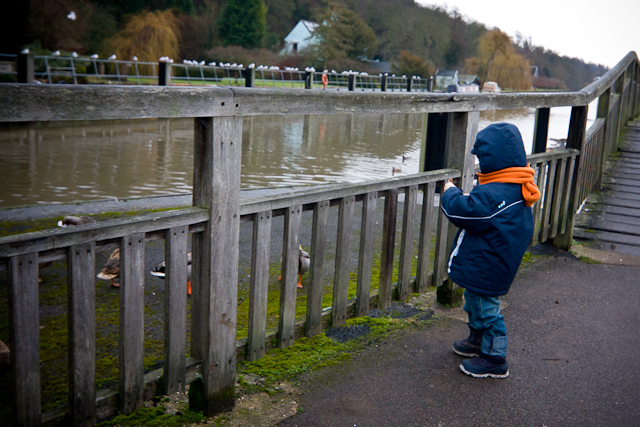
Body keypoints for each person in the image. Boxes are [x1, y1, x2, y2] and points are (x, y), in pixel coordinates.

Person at [440, 122, 540, 379]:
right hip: (490, 260)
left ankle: (495, 358)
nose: (480, 163)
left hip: (488, 265)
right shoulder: (514, 186)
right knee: (474, 302)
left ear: (494, 158)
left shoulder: (498, 193)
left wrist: (450, 193)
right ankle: (477, 340)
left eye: (482, 157)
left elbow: (466, 211)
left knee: (488, 311)